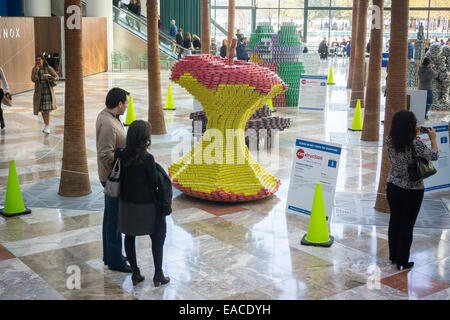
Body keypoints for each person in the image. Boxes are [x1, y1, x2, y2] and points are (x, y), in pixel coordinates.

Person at [116, 120, 170, 287]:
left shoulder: (121, 155)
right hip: (147, 206)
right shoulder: (148, 159)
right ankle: (158, 274)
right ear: (145, 138)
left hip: (127, 205)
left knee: (129, 237)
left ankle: (135, 273)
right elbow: (154, 182)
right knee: (157, 237)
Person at [385, 110, 439, 271]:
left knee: (394, 221)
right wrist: (433, 139)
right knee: (407, 225)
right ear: (411, 126)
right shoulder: (415, 144)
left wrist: (413, 134)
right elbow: (434, 155)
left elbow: (403, 148)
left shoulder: (389, 140)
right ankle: (403, 260)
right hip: (413, 190)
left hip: (393, 186)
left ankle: (393, 256)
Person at [96, 87, 132, 273]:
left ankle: (110, 255)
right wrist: (120, 163)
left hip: (112, 176)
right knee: (114, 220)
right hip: (112, 179)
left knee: (110, 217)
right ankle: (116, 260)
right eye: (126, 103)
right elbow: (105, 154)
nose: (127, 106)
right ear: (119, 104)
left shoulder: (111, 118)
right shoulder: (108, 124)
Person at [31, 54, 58, 134]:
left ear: (43, 60)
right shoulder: (34, 69)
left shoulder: (48, 68)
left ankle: (47, 126)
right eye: (36, 60)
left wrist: (51, 78)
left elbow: (57, 77)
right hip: (39, 93)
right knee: (42, 110)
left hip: (47, 92)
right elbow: (33, 79)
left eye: (39, 60)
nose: (37, 61)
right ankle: (46, 125)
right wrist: (36, 72)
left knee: (46, 111)